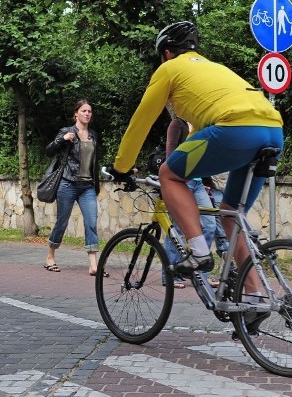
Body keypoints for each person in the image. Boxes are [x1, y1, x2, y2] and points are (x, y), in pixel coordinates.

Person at [110, 21, 283, 318]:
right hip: (273, 130)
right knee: (230, 215)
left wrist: (121, 167)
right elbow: (200, 136)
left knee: (169, 174)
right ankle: (255, 295)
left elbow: (141, 121)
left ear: (166, 53)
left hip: (235, 128)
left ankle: (199, 252)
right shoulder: (215, 69)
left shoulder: (169, 69)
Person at [44, 99, 102, 276]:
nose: (87, 114)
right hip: (67, 183)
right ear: (76, 113)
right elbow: (49, 151)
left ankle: (93, 264)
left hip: (87, 186)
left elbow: (94, 161)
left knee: (91, 222)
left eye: (89, 111)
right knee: (62, 222)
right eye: (84, 111)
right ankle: (50, 256)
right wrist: (62, 139)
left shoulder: (93, 135)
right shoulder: (67, 132)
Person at [161, 113, 216, 289]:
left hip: (199, 183)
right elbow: (171, 154)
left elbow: (205, 155)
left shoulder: (201, 123)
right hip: (181, 182)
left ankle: (200, 272)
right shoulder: (177, 124)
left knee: (209, 225)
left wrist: (207, 181)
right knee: (177, 228)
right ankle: (171, 275)